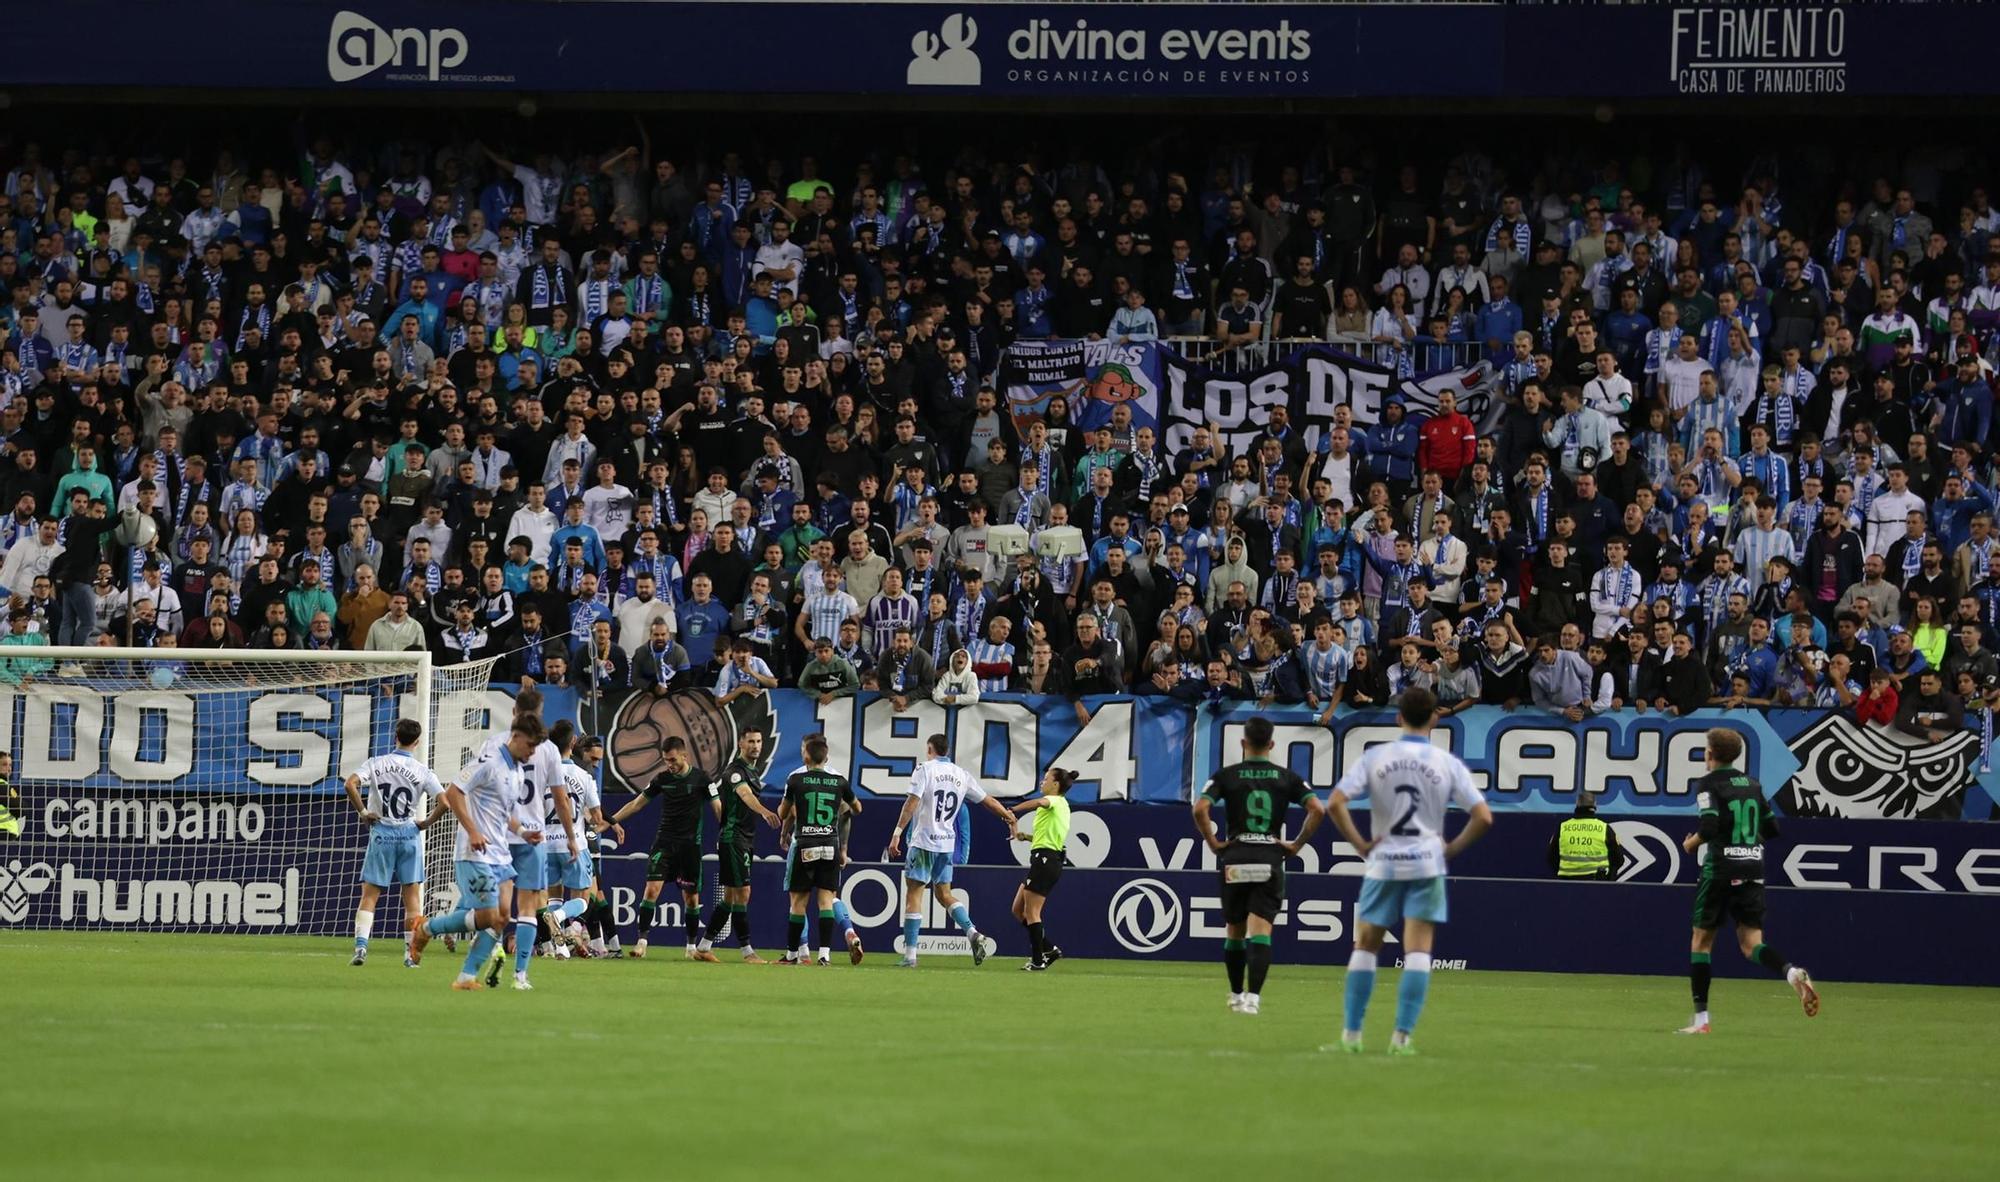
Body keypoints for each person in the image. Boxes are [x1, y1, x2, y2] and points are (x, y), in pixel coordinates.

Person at [1327, 687, 1493, 1053]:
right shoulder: (1445, 762)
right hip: (1426, 863)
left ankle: (1351, 1037)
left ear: (1398, 717)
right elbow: (1483, 816)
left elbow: (1336, 801)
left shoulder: (1377, 757)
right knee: (1418, 950)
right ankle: (1401, 1038)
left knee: (1366, 945)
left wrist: (1359, 844)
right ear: (1434, 717)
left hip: (1384, 863)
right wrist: (1450, 849)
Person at [1679, 727, 1820, 1034]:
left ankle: (1702, 1020)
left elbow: (1710, 825)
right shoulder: (1754, 785)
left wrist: (1691, 845)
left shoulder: (1708, 783)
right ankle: (1791, 972)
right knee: (1751, 944)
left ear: (1711, 754)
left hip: (1719, 870)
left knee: (1701, 942)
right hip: (1752, 869)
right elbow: (1772, 830)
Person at [1191, 715, 1327, 1015]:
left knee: (1234, 931)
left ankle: (1236, 995)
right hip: (1269, 856)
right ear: (1272, 744)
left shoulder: (1227, 775)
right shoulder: (1287, 777)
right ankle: (1253, 999)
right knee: (1261, 931)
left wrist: (1214, 842)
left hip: (1236, 857)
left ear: (1243, 743)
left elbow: (1200, 808)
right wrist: (1296, 844)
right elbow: (1317, 808)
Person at [408, 714, 546, 990]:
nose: (532, 753)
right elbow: (454, 792)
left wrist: (522, 833)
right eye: (530, 746)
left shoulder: (517, 772)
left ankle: (466, 978)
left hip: (501, 854)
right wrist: (472, 831)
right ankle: (425, 928)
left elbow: (503, 813)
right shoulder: (489, 762)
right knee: (488, 917)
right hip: (475, 853)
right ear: (516, 736)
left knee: (504, 917)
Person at [884, 732, 1018, 968]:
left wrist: (896, 833)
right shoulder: (961, 774)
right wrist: (1008, 817)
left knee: (914, 894)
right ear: (948, 750)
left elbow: (912, 802)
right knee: (944, 894)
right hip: (947, 844)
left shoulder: (924, 769)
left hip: (924, 841)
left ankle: (910, 956)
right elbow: (987, 801)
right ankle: (973, 933)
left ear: (929, 749)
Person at [341, 718, 447, 966]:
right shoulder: (423, 771)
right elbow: (445, 802)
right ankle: (410, 955)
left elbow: (350, 783)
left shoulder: (377, 763)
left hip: (382, 833)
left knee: (370, 896)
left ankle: (361, 948)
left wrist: (364, 812)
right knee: (412, 899)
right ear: (418, 742)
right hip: (409, 835)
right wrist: (427, 823)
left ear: (395, 737)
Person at [606, 734, 718, 960]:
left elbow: (717, 806)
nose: (670, 765)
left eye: (674, 760)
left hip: (690, 848)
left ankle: (690, 948)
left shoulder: (702, 779)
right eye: (666, 760)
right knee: (651, 890)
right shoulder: (661, 779)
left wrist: (726, 833)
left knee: (691, 899)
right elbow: (637, 803)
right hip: (664, 843)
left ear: (685, 755)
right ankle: (642, 943)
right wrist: (610, 820)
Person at [695, 730, 780, 962]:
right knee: (742, 893)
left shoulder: (752, 770)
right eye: (751, 741)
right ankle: (747, 951)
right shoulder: (734, 772)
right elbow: (744, 794)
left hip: (745, 838)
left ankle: (703, 947)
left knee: (732, 896)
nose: (755, 745)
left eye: (759, 741)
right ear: (741, 743)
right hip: (733, 838)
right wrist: (764, 811)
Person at [776, 732, 860, 966]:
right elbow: (855, 809)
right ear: (826, 756)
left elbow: (783, 813)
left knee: (798, 903)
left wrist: (786, 824)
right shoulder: (838, 780)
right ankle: (825, 954)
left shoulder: (796, 779)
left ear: (806, 755)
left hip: (804, 843)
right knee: (826, 901)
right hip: (830, 844)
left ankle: (794, 954)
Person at [543, 723, 615, 957]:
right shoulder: (583, 776)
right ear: (573, 742)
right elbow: (595, 816)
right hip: (573, 843)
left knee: (554, 894)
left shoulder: (540, 773)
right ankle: (559, 917)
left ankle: (559, 948)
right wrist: (592, 822)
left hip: (546, 845)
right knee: (584, 898)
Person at [1009, 766, 1079, 971]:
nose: (1042, 781)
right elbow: (1050, 837)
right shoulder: (1060, 806)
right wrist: (1026, 837)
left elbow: (1040, 801)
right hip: (1044, 858)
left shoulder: (1054, 801)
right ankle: (1050, 949)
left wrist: (1015, 809)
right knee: (1017, 910)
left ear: (1055, 785)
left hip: (1046, 860)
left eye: (1046, 779)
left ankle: (1038, 960)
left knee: (1032, 912)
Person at [1547, 791, 1625, 880]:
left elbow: (1551, 858)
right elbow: (1618, 859)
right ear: (1595, 805)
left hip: (1567, 884)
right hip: (1597, 884)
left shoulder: (1563, 828)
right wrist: (1609, 879)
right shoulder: (1604, 828)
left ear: (1577, 804)